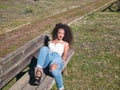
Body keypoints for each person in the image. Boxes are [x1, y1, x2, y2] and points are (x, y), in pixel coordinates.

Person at [34, 23, 73, 90]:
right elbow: (45, 52)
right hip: (48, 58)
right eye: (59, 33)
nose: (61, 35)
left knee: (53, 68)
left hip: (57, 58)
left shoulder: (65, 44)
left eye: (63, 34)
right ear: (56, 33)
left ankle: (61, 87)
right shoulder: (50, 42)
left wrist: (63, 60)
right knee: (44, 48)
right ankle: (39, 70)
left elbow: (64, 56)